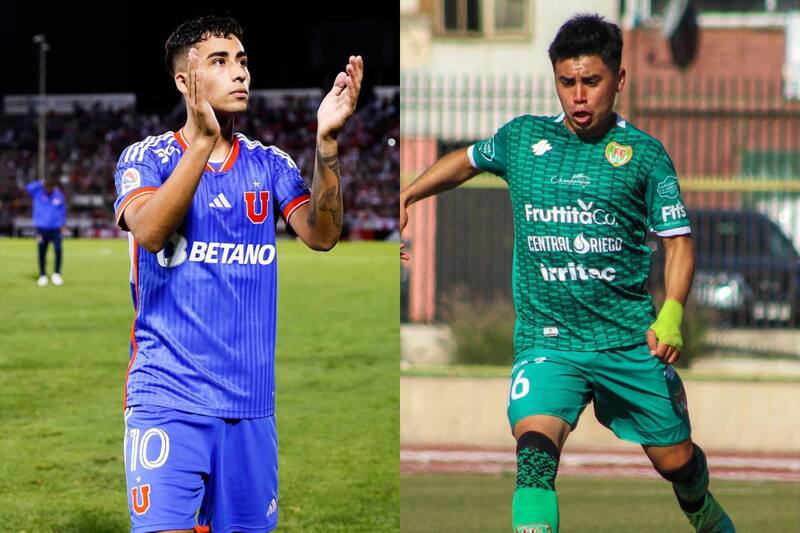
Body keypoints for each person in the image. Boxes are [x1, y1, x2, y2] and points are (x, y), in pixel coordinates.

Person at [400, 14, 735, 533]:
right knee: (534, 458)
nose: (578, 96)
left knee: (677, 463)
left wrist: (671, 315)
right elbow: (465, 161)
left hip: (627, 342)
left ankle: (701, 503)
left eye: (592, 81)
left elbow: (678, 243)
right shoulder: (522, 139)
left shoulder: (644, 156)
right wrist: (407, 195)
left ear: (619, 79)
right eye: (567, 82)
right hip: (548, 342)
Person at [112, 15, 362, 532]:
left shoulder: (269, 164)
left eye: (242, 61)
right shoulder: (147, 157)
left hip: (250, 404)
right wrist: (202, 142)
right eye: (220, 62)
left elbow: (322, 234)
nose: (240, 72)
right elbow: (151, 231)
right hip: (167, 397)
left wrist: (327, 142)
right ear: (185, 80)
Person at [25, 177, 66, 286]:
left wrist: (62, 224)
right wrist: (40, 182)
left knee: (58, 250)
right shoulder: (38, 193)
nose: (49, 189)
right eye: (47, 187)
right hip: (41, 228)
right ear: (44, 186)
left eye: (51, 187)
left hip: (56, 228)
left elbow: (62, 210)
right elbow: (28, 188)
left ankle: (56, 274)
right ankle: (42, 275)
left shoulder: (58, 195)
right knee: (42, 251)